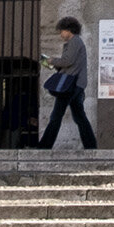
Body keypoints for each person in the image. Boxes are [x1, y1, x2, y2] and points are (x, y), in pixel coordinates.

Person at [37, 16, 98, 150]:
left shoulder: (74, 42)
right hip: (76, 84)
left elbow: (67, 61)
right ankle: (91, 146)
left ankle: (44, 147)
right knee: (80, 117)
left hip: (70, 85)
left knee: (56, 116)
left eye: (62, 31)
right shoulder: (76, 42)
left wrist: (52, 61)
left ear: (69, 30)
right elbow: (70, 63)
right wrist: (56, 64)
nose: (61, 34)